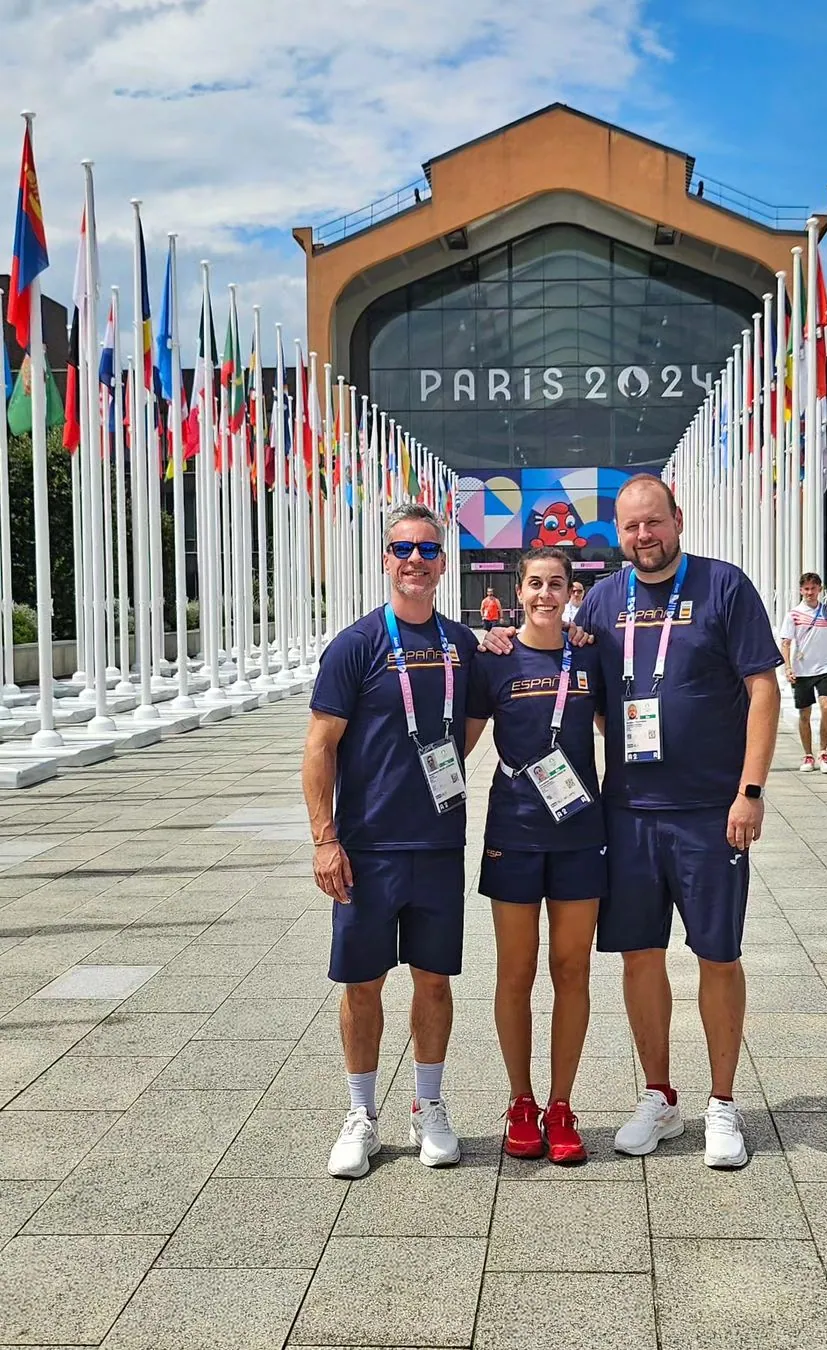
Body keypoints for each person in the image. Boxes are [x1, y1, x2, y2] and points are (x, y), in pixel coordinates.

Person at [483, 474, 782, 1168]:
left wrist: (752, 790)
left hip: (711, 812)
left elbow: (764, 688)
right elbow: (560, 664)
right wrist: (501, 641)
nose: (643, 536)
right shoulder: (607, 601)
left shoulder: (724, 587)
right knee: (638, 955)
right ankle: (660, 1095)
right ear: (616, 535)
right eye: (630, 527)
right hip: (627, 814)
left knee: (717, 953)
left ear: (678, 519)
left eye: (654, 522)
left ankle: (722, 1104)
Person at [302, 503, 478, 1180]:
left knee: (434, 981)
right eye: (402, 547)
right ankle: (361, 1115)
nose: (414, 559)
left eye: (427, 550)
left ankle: (429, 1105)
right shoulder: (355, 645)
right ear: (386, 558)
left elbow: (477, 719)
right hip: (367, 850)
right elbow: (319, 746)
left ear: (441, 563)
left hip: (436, 846)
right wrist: (325, 839)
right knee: (362, 982)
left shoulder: (461, 643)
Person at [465, 547, 606, 1165]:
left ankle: (561, 1104)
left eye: (557, 585)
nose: (546, 594)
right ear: (516, 591)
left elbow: (622, 724)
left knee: (572, 971)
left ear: (572, 591)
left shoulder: (592, 652)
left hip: (580, 832)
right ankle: (521, 1101)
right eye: (535, 584)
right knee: (516, 972)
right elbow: (459, 741)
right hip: (514, 832)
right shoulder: (494, 659)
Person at [778, 571, 827, 774]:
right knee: (805, 713)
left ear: (820, 589)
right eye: (806, 589)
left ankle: (823, 751)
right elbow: (786, 642)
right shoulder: (793, 615)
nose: (810, 592)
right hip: (802, 670)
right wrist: (787, 667)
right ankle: (808, 754)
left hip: (825, 667)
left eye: (813, 588)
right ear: (801, 590)